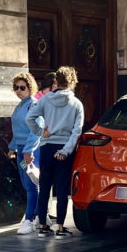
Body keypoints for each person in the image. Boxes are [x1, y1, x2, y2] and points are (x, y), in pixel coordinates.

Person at [25, 65, 85, 238]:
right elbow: (77, 131)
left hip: (46, 146)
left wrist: (40, 132)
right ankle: (60, 227)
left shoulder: (45, 100)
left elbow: (29, 118)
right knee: (62, 188)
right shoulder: (76, 104)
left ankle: (42, 226)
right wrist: (66, 151)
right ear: (73, 82)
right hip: (64, 149)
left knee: (44, 187)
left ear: (56, 81)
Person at [8, 72, 41, 234]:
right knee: (26, 183)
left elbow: (36, 130)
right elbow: (17, 129)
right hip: (21, 149)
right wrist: (13, 147)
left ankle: (29, 219)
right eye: (16, 87)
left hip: (31, 150)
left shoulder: (34, 105)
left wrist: (28, 150)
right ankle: (36, 216)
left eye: (22, 87)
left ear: (30, 88)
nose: (18, 90)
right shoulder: (20, 106)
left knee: (31, 184)